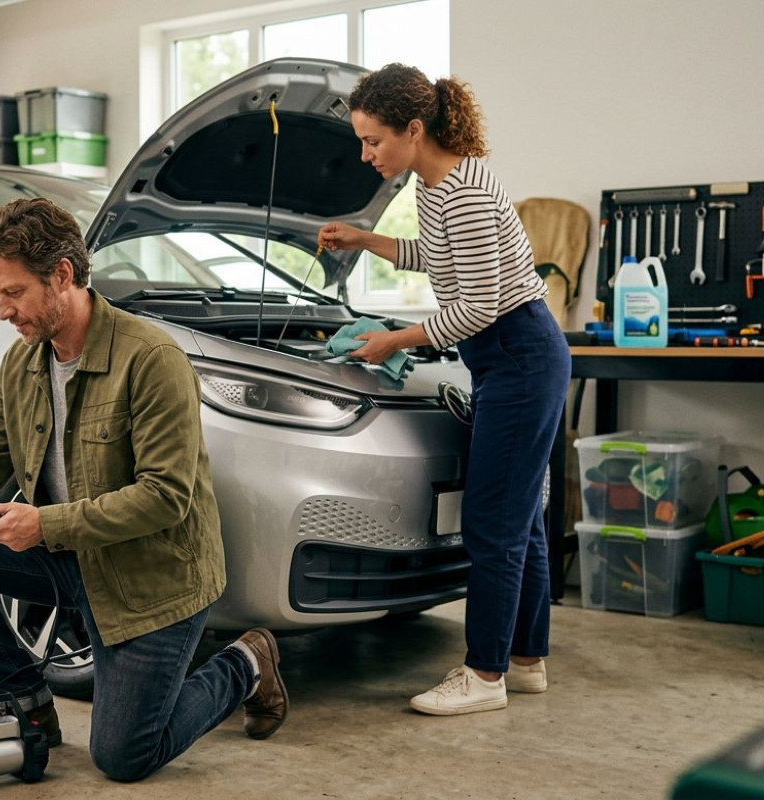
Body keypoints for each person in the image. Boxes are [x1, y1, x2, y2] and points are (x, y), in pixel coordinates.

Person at [0, 197, 288, 781]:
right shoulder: (22, 366)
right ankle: (27, 703)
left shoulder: (152, 359)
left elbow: (167, 497)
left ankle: (246, 664)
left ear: (62, 275)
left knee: (124, 757)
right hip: (71, 561)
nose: (0, 311)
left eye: (12, 292)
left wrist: (43, 525)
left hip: (151, 579)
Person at [319, 64, 571, 716]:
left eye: (374, 141)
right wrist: (364, 240)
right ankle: (526, 659)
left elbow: (479, 307)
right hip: (506, 360)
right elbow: (434, 257)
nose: (365, 154)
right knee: (522, 523)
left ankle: (484, 677)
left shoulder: (461, 190)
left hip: (517, 354)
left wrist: (393, 340)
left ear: (413, 128)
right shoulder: (436, 185)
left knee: (490, 524)